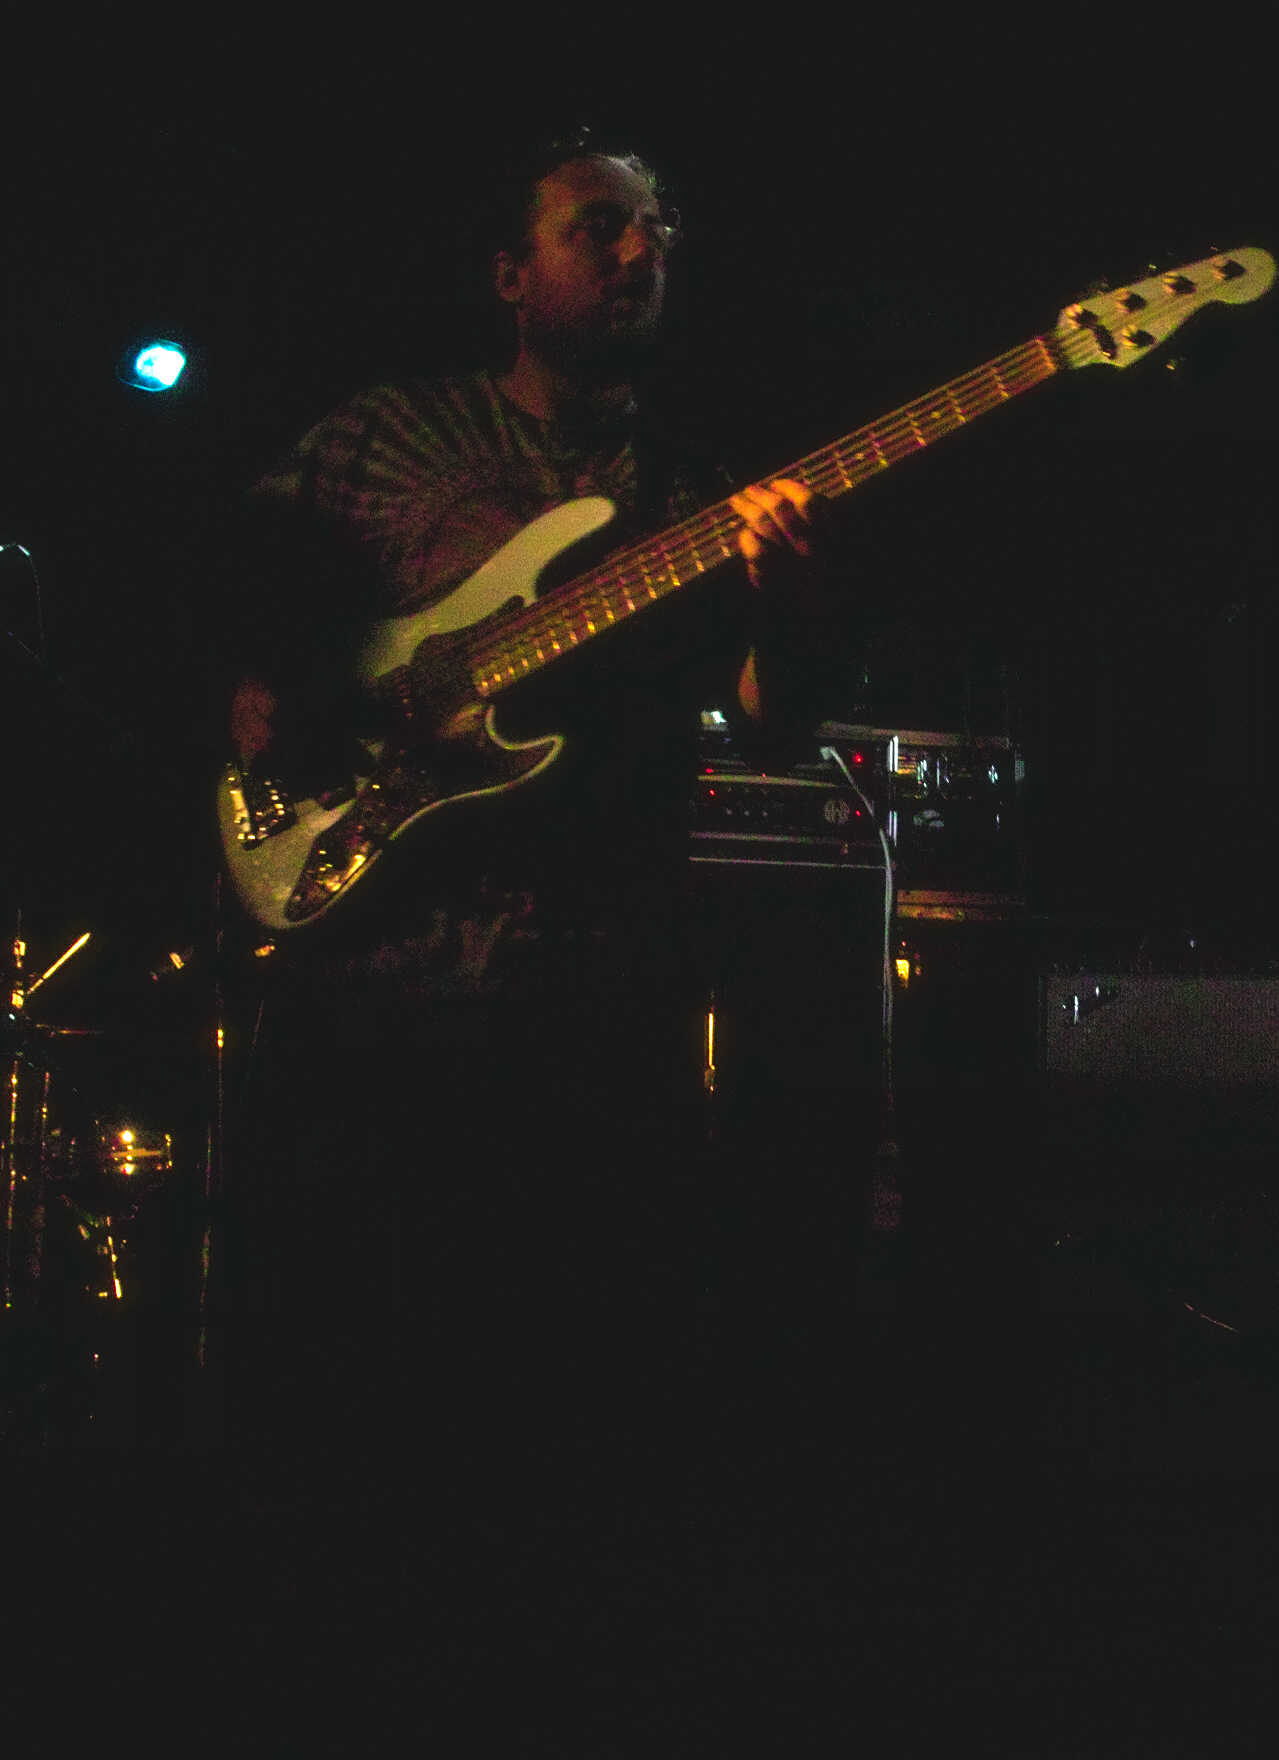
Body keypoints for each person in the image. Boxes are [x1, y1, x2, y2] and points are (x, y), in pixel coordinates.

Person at [219, 131, 851, 1452]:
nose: (640, 249)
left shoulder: (692, 494)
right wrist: (264, 687)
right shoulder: (388, 432)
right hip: (376, 988)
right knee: (355, 1388)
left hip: (600, 1000)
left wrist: (791, 612)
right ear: (512, 274)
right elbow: (240, 580)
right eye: (598, 227)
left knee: (580, 1394)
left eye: (656, 228)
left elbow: (772, 725)